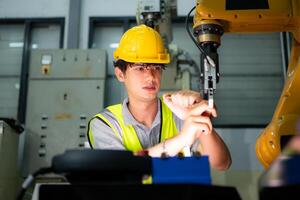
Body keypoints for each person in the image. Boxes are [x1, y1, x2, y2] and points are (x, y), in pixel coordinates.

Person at [87, 24, 231, 170]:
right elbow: (123, 169)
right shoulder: (104, 124)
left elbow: (221, 163)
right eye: (140, 68)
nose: (150, 76)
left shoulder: (178, 113)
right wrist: (181, 139)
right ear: (120, 74)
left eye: (156, 67)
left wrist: (200, 116)